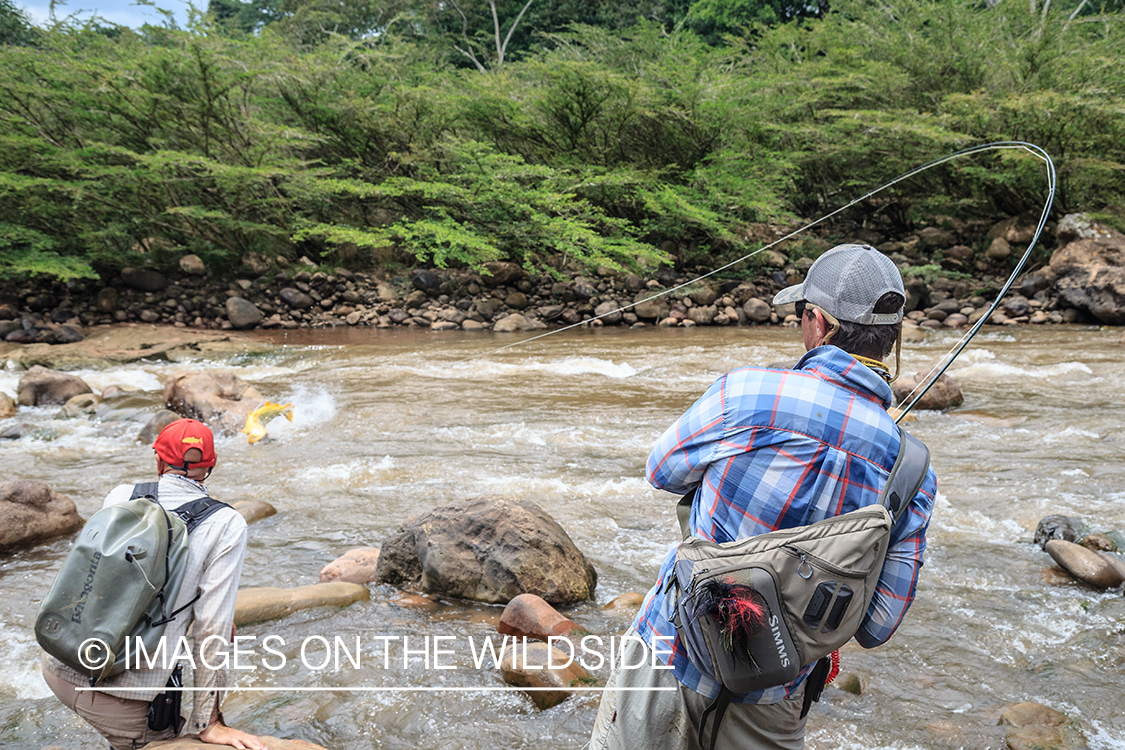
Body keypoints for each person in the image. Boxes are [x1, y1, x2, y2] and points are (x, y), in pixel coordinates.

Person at [589, 244, 938, 750]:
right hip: (777, 694)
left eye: (800, 315)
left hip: (670, 655)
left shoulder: (746, 393)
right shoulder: (912, 470)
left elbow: (661, 471)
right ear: (892, 339)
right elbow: (877, 626)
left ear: (817, 322)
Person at [42, 418, 266, 750]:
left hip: (60, 664)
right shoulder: (226, 523)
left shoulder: (121, 495)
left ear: (158, 460)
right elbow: (212, 628)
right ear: (211, 466)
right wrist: (210, 722)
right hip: (126, 700)